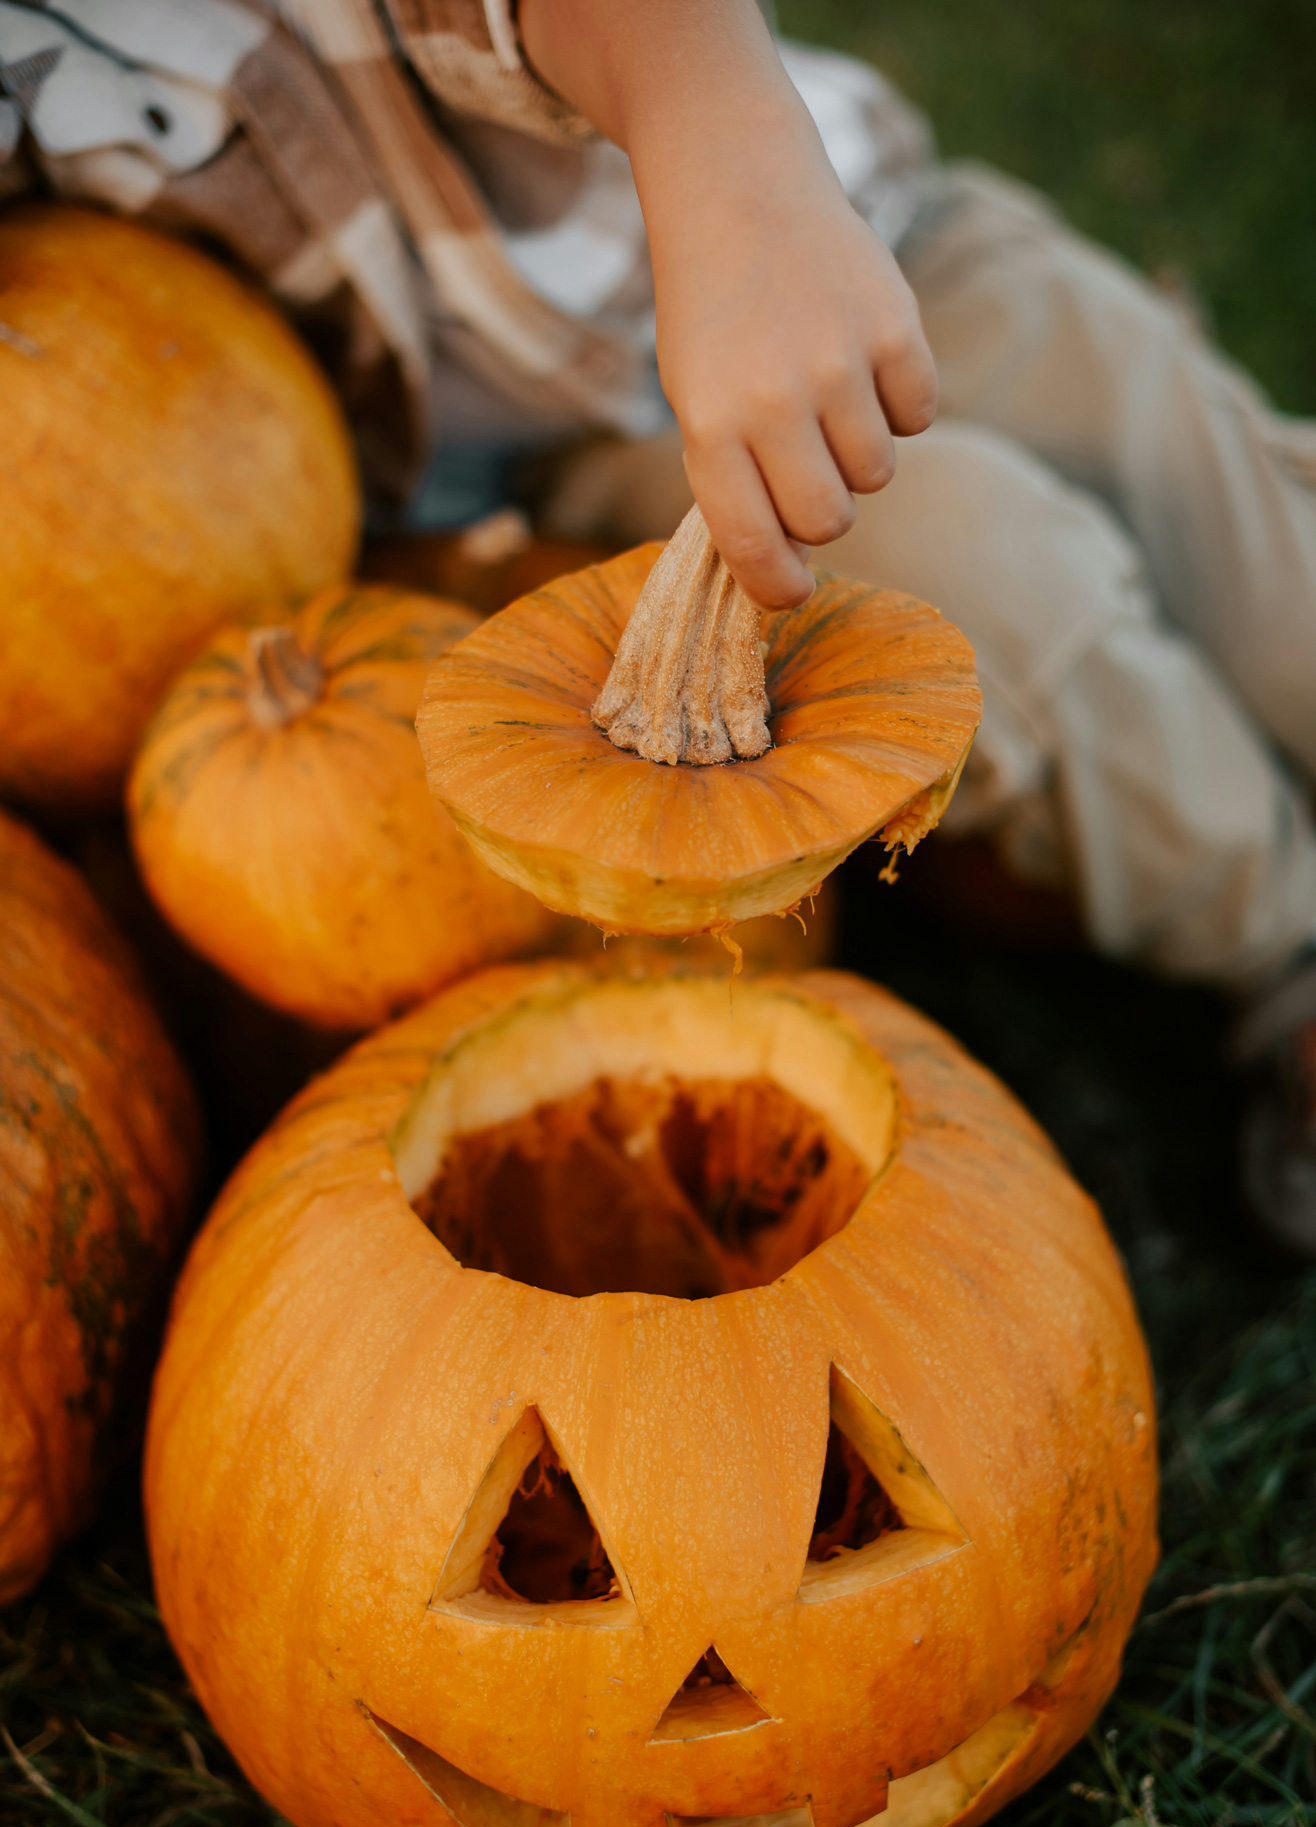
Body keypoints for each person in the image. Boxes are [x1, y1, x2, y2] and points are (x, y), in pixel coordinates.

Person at [3, 0, 1316, 1246]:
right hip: (570, 462)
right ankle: (1288, 939)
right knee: (967, 575)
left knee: (1221, 511)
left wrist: (736, 179)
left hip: (846, 227)